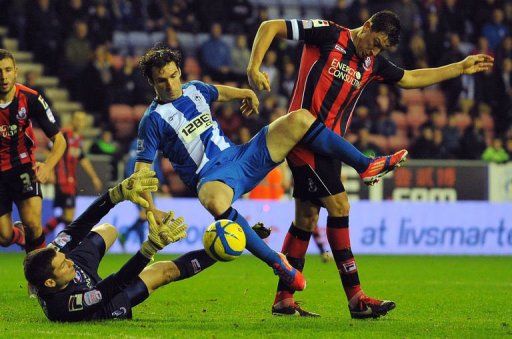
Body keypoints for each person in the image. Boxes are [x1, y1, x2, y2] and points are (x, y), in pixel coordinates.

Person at [247, 11, 494, 318]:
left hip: (330, 147)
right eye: (375, 43)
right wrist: (253, 68)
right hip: (301, 138)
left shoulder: (372, 63)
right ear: (367, 27)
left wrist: (459, 67)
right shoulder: (327, 33)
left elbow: (411, 78)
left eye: (380, 49)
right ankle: (356, 299)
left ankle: (284, 299)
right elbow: (269, 26)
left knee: (306, 218)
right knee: (339, 207)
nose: (374, 52)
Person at [133, 45, 404, 294]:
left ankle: (365, 165)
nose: (170, 84)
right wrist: (149, 209)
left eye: (172, 76)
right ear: (151, 82)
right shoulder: (152, 120)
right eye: (161, 80)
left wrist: (247, 93)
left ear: (179, 71)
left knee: (299, 118)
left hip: (242, 156)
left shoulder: (195, 89)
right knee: (214, 201)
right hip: (211, 178)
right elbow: (142, 170)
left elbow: (220, 92)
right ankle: (279, 262)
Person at [24, 169, 215, 322]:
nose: (69, 262)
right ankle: (216, 252)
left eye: (65, 258)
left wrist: (115, 195)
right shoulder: (65, 306)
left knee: (108, 229)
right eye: (63, 264)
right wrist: (150, 248)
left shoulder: (53, 256)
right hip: (104, 303)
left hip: (80, 276)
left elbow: (78, 227)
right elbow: (116, 283)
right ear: (49, 282)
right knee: (164, 271)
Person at [0, 49, 66, 252]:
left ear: (16, 71)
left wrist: (47, 167)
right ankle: (18, 235)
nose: (3, 76)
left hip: (23, 167)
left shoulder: (31, 98)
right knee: (4, 237)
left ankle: (39, 281)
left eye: (8, 70)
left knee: (34, 225)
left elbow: (60, 141)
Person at [44, 111, 103, 236]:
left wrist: (94, 177)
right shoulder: (64, 134)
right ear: (72, 120)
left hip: (71, 181)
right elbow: (49, 149)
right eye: (79, 120)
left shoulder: (78, 139)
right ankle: (62, 244)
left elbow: (83, 159)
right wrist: (48, 170)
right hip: (62, 180)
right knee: (69, 217)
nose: (81, 123)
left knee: (67, 217)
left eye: (83, 120)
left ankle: (43, 235)